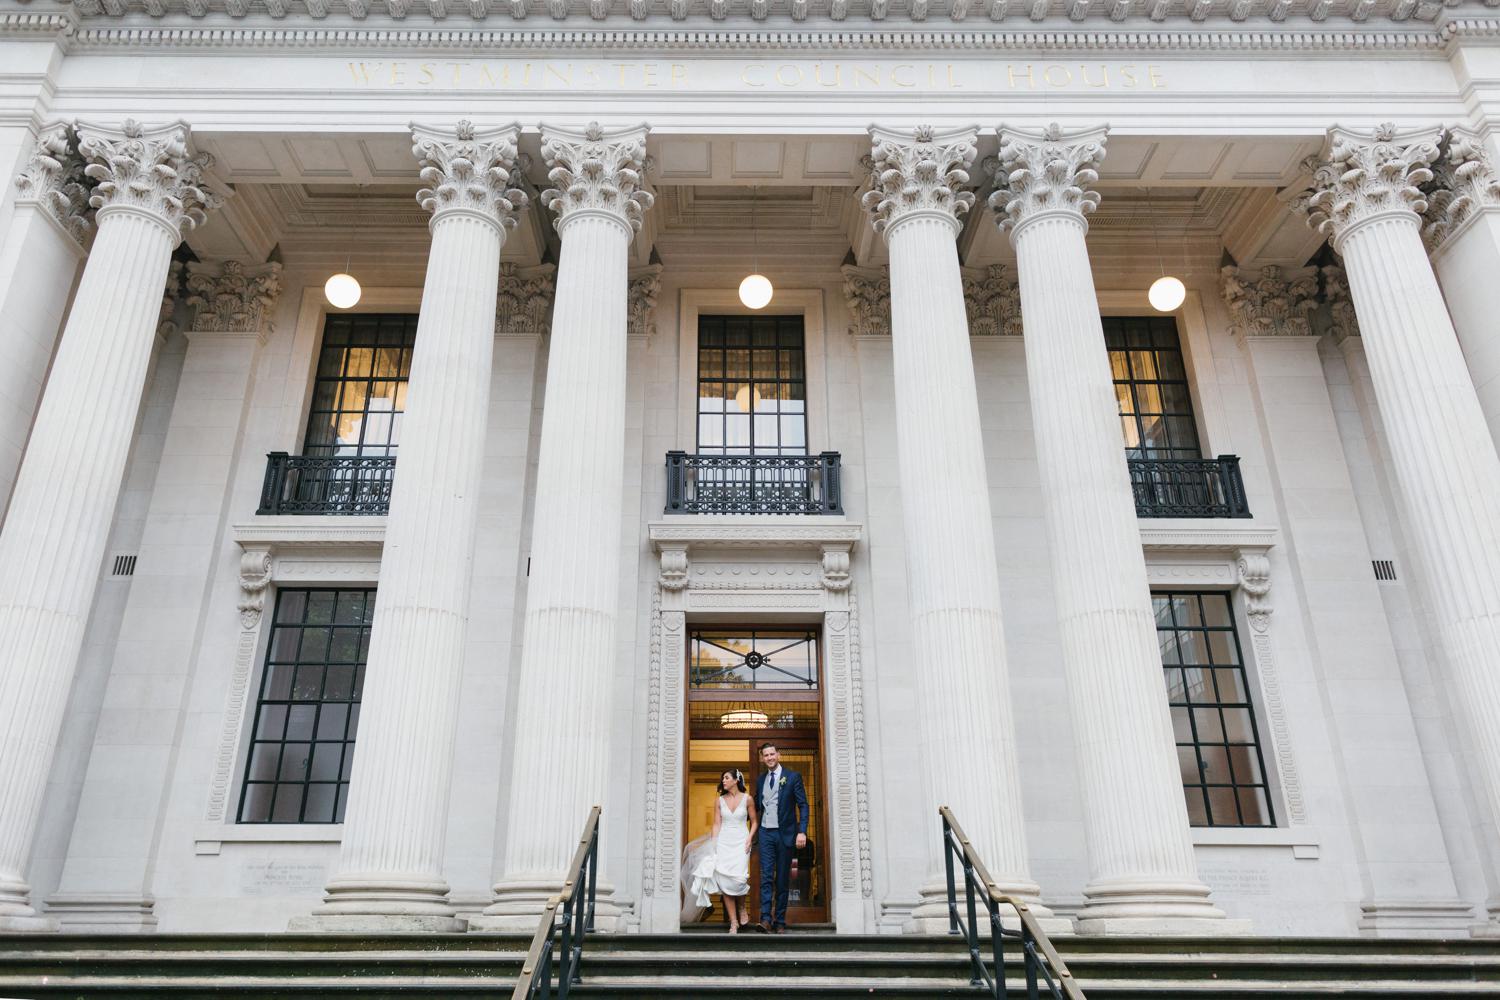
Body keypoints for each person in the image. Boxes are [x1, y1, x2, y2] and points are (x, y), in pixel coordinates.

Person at [688, 768, 758, 932]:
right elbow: (716, 824)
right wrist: (714, 842)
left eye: (726, 778)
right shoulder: (719, 800)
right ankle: (734, 921)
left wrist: (750, 838)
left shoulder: (747, 799)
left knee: (739, 879)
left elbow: (754, 821)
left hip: (741, 841)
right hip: (724, 842)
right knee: (724, 880)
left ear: (736, 780)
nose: (723, 781)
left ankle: (742, 908)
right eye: (723, 778)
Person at [753, 741, 808, 934]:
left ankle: (780, 920)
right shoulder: (760, 781)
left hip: (785, 834)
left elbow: (803, 805)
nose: (769, 758)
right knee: (766, 877)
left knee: (783, 879)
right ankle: (765, 919)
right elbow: (756, 807)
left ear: (779, 755)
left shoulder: (792, 777)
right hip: (766, 833)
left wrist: (802, 831)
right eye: (765, 755)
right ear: (762, 758)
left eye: (771, 754)